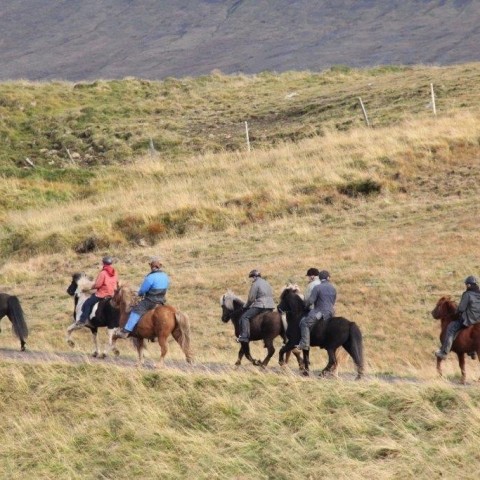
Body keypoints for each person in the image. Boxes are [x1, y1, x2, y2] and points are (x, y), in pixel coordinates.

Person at [114, 257, 170, 338]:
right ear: (159, 266)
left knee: (136, 310)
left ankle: (126, 331)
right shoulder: (165, 276)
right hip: (161, 300)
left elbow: (143, 290)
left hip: (150, 301)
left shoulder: (150, 277)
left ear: (151, 266)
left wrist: (140, 294)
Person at [435, 275, 480, 360]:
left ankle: (444, 352)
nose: (466, 286)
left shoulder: (467, 294)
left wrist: (456, 312)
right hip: (478, 320)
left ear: (469, 285)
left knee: (451, 328)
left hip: (469, 319)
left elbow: (461, 309)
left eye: (466, 284)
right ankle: (472, 351)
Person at [295, 270, 336, 351]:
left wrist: (305, 306)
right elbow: (333, 301)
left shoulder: (317, 287)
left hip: (320, 312)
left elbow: (311, 301)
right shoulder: (333, 288)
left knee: (304, 323)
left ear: (320, 278)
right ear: (328, 278)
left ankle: (304, 344)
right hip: (331, 312)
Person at [76, 256, 118, 325]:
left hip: (102, 294)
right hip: (112, 293)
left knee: (87, 303)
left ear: (103, 263)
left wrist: (91, 287)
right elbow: (116, 282)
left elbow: (98, 285)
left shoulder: (103, 273)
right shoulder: (115, 272)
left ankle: (82, 320)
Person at [236, 269, 275, 343]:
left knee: (244, 317)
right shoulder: (267, 283)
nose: (251, 280)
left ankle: (244, 336)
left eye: (251, 278)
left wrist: (245, 306)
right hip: (271, 306)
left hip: (261, 305)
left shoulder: (255, 284)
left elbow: (251, 298)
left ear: (254, 277)